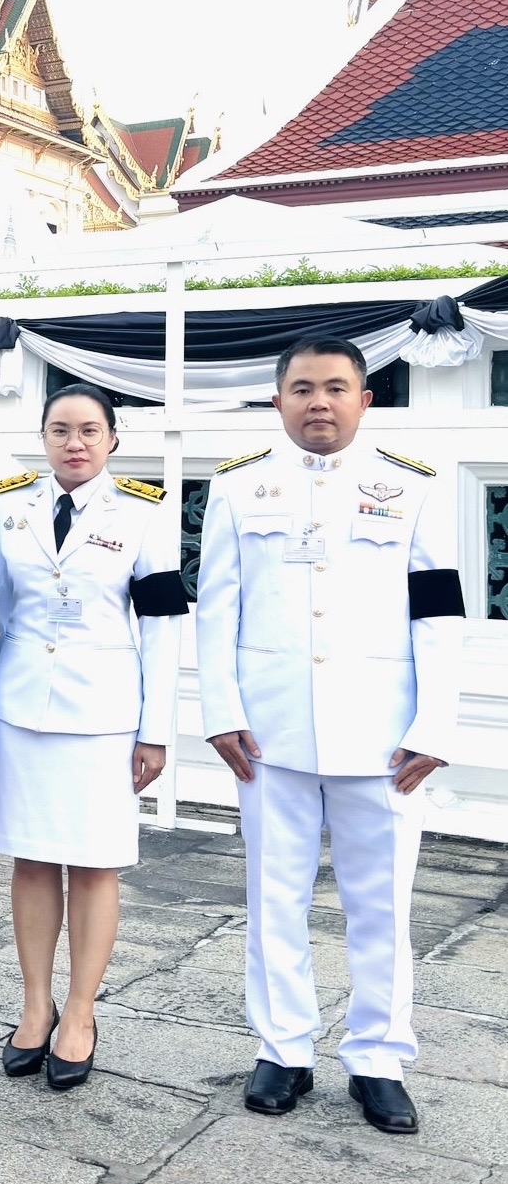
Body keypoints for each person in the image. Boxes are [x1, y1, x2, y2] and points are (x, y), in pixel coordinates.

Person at [197, 333, 464, 1135]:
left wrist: (434, 723)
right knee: (273, 898)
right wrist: (220, 710)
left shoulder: (411, 485)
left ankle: (378, 1059)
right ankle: (283, 1048)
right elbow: (217, 606)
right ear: (278, 400)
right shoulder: (238, 486)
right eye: (303, 388)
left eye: (336, 388)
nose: (319, 402)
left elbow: (440, 610)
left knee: (381, 907)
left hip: (382, 735)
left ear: (364, 400)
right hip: (269, 732)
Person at [0, 384, 187, 1089]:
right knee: (33, 858)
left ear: (112, 440)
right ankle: (35, 1004)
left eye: (89, 431)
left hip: (104, 715)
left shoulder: (143, 511)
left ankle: (79, 1011)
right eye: (60, 430)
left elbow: (163, 626)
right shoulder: (7, 507)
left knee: (96, 864)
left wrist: (155, 730)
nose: (74, 443)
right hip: (20, 709)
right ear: (43, 438)